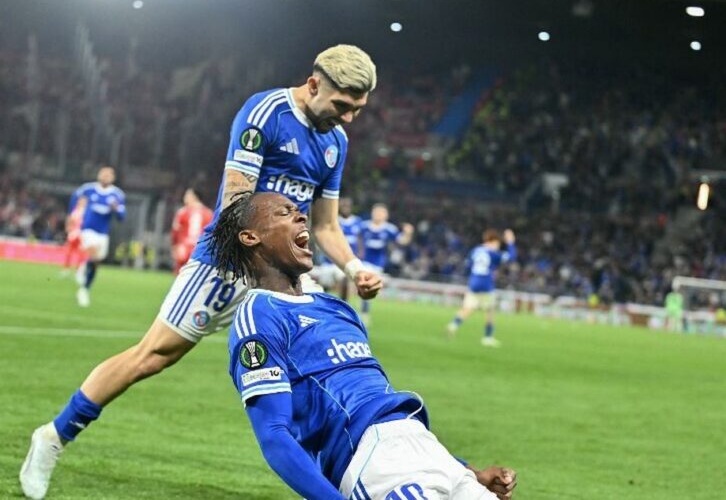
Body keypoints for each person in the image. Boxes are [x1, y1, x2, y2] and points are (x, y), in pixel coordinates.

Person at [20, 44, 384, 499]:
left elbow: (326, 224)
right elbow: (236, 200)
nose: (349, 118)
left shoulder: (336, 142)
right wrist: (257, 264)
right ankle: (53, 437)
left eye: (357, 109)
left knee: (321, 375)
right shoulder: (265, 113)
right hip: (227, 262)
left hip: (281, 278)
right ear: (314, 84)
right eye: (343, 106)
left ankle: (343, 479)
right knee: (152, 356)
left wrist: (353, 266)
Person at [213, 192, 518, 500]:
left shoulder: (337, 308)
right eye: (284, 213)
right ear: (251, 237)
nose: (302, 216)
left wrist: (469, 471)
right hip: (373, 462)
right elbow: (274, 436)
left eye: (299, 210)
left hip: (428, 447)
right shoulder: (259, 318)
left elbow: (379, 404)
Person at [446, 229, 516, 347]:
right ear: (493, 241)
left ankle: (453, 325)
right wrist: (511, 243)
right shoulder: (493, 253)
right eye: (497, 243)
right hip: (486, 283)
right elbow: (511, 257)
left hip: (473, 282)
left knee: (468, 308)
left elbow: (467, 265)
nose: (498, 246)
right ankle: (488, 337)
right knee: (490, 311)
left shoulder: (475, 250)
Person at [69, 166, 126, 307]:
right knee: (92, 251)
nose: (105, 177)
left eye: (108, 175)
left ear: (113, 178)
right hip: (88, 229)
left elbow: (122, 216)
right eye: (103, 174)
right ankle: (82, 268)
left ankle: (84, 289)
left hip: (103, 233)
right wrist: (72, 214)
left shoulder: (117, 195)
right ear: (99, 175)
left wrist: (115, 209)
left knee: (96, 261)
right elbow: (75, 198)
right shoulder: (88, 189)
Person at [358, 203, 413, 324]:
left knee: (368, 287)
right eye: (376, 212)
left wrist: (408, 233)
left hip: (378, 264)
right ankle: (363, 313)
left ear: (386, 215)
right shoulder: (364, 226)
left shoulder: (389, 228)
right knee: (364, 286)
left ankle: (364, 313)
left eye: (381, 213)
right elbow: (353, 236)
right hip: (364, 262)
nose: (378, 215)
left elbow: (402, 241)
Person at [311, 197, 362, 300]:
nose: (345, 208)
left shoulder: (358, 222)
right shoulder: (332, 221)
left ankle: (344, 304)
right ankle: (323, 305)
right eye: (342, 205)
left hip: (346, 261)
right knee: (324, 286)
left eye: (347, 205)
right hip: (329, 261)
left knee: (345, 281)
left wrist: (360, 254)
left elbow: (361, 239)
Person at [170, 187, 213, 273]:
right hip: (201, 250)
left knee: (181, 277)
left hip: (184, 249)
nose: (185, 197)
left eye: (187, 195)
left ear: (194, 197)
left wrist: (174, 246)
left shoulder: (182, 212)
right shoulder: (209, 213)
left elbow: (175, 230)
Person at [60, 198, 86, 277]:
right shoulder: (75, 210)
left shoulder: (87, 211)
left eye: (82, 201)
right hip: (73, 233)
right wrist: (68, 227)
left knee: (81, 253)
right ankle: (66, 269)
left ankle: (78, 270)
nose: (80, 202)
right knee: (69, 252)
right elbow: (70, 219)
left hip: (82, 234)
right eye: (80, 201)